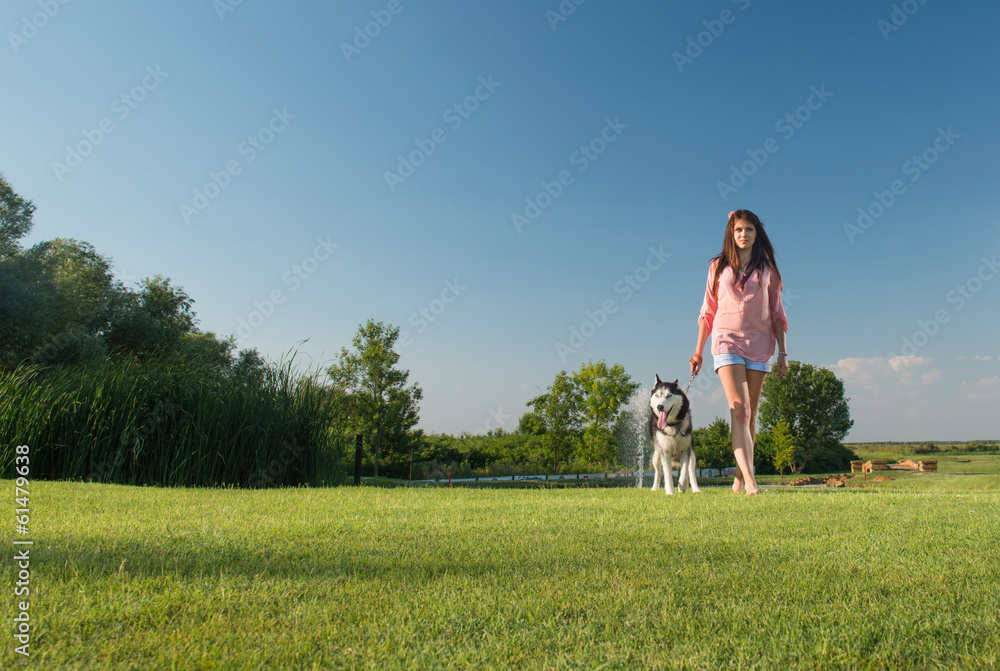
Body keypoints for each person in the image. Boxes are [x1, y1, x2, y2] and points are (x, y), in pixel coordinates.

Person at [690, 209, 788, 496]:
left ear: (757, 234)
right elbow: (707, 312)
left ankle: (739, 479)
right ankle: (751, 482)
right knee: (739, 409)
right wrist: (698, 352)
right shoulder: (717, 267)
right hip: (726, 341)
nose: (744, 234)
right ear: (731, 235)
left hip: (760, 345)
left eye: (749, 229)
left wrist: (783, 352)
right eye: (738, 230)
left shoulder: (768, 269)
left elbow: (777, 313)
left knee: (751, 415)